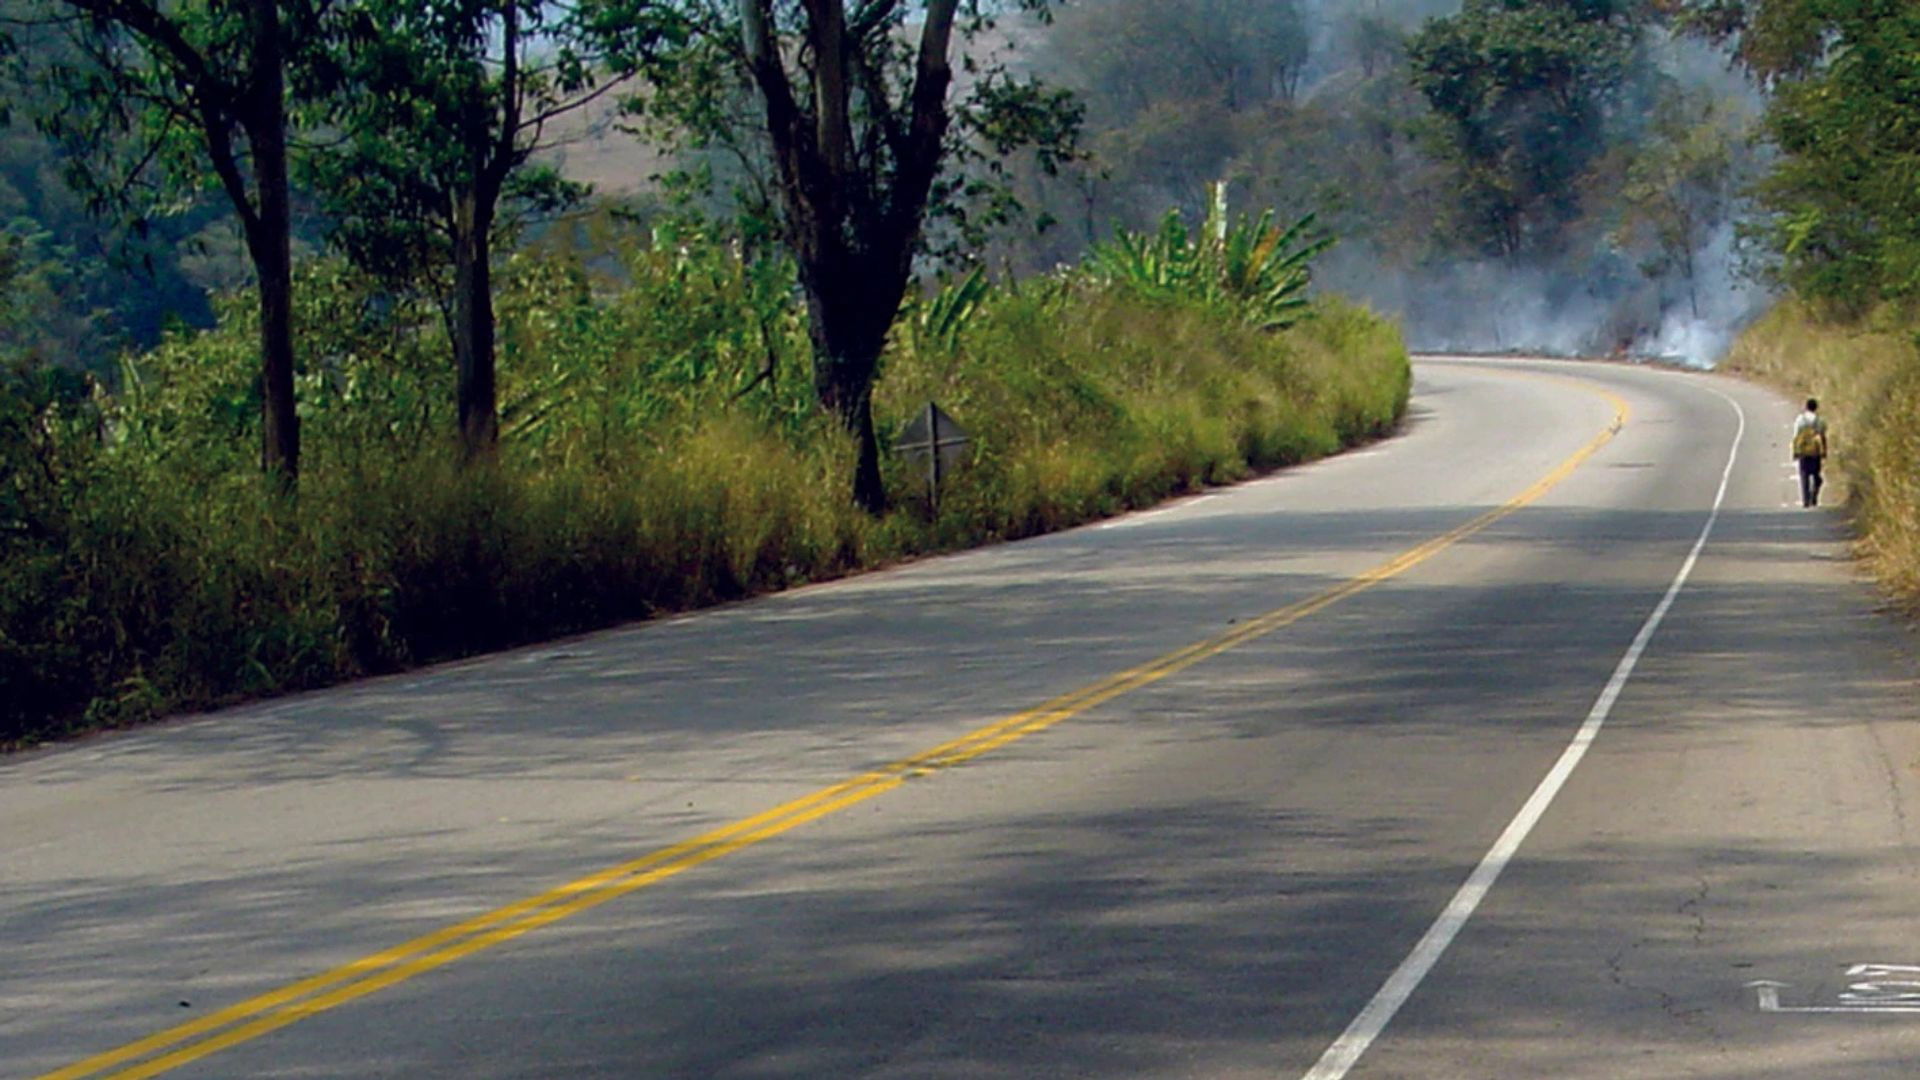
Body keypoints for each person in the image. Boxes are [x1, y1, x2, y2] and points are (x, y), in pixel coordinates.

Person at [1791, 398, 1828, 508]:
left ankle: (1806, 500)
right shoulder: (1820, 421)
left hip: (1803, 451)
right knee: (1817, 476)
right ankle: (1814, 496)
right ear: (1816, 408)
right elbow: (1823, 436)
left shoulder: (1800, 419)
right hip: (1815, 452)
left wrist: (1795, 451)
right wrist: (1824, 451)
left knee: (1804, 476)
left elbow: (1796, 436)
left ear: (1806, 407)